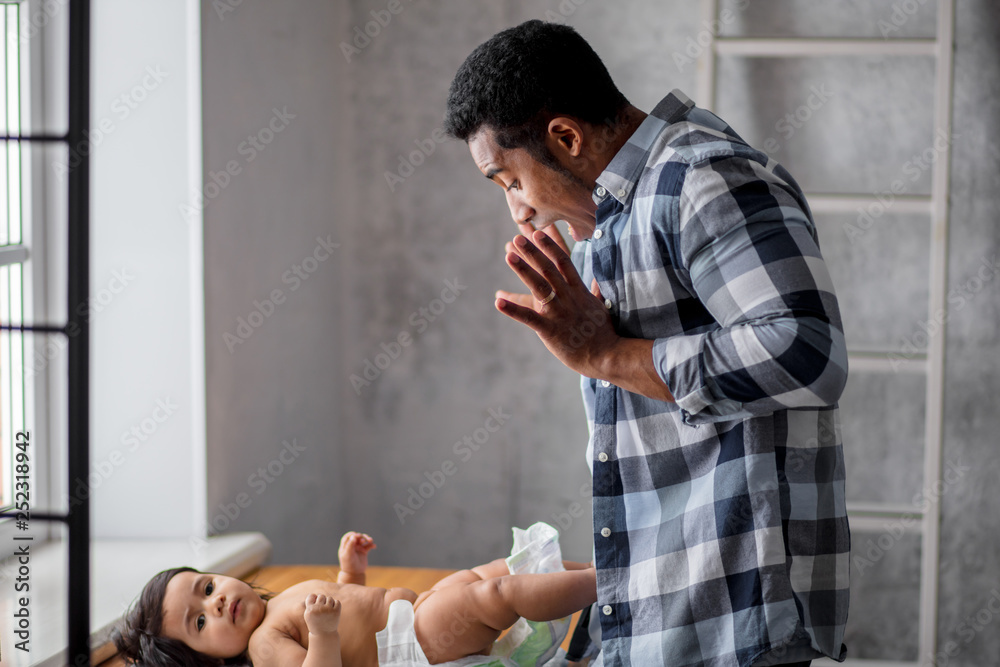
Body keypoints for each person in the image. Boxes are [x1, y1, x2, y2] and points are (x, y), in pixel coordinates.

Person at [443, 19, 850, 667]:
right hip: (675, 617)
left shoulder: (704, 178)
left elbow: (806, 353)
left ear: (567, 137)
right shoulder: (611, 219)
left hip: (739, 619)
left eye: (510, 181)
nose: (517, 211)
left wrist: (605, 356)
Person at [113, 530, 597, 667]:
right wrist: (321, 631)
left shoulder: (276, 606)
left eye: (208, 588)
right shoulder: (263, 647)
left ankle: (603, 567)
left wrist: (351, 572)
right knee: (497, 593)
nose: (215, 604)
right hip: (413, 646)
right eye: (199, 624)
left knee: (498, 571)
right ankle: (612, 582)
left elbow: (348, 612)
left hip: (418, 612)